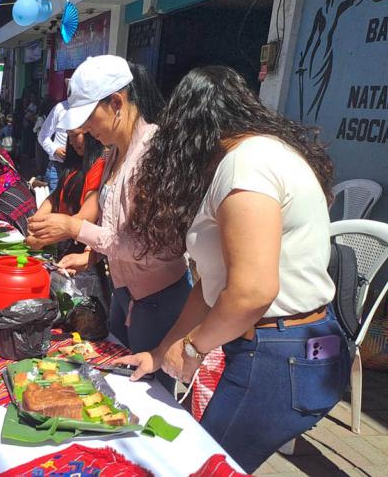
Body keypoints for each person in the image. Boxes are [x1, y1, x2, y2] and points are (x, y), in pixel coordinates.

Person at [118, 66, 347, 472]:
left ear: (189, 127)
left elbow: (251, 292)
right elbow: (211, 286)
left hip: (278, 355)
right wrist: (160, 352)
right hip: (297, 347)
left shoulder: (246, 165)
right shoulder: (266, 154)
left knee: (203, 466)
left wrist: (193, 349)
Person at [27, 57, 190, 391]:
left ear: (116, 102)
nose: (85, 129)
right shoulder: (113, 151)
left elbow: (146, 246)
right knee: (112, 386)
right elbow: (116, 224)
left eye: (89, 118)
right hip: (124, 293)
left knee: (147, 394)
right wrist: (92, 256)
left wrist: (74, 229)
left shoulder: (154, 153)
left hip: (157, 301)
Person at [26, 130, 105, 258]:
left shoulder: (99, 165)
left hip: (81, 249)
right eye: (69, 136)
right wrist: (37, 221)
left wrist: (43, 239)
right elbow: (54, 197)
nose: (72, 141)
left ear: (90, 133)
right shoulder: (73, 164)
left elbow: (86, 217)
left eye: (76, 135)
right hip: (62, 242)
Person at [37, 97, 69, 191]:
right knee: (53, 199)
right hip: (57, 167)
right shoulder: (60, 108)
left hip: (81, 167)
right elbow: (42, 135)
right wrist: (55, 150)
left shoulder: (91, 108)